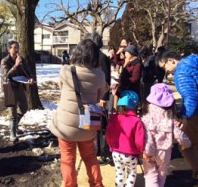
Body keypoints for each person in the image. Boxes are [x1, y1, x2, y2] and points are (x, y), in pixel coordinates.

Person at [49, 39, 107, 187]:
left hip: (66, 124)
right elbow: (99, 97)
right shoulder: (100, 75)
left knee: (67, 159)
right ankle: (97, 184)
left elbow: (62, 89)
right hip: (87, 123)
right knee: (89, 157)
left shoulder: (66, 70)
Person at [156, 50, 198, 180]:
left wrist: (185, 116)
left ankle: (197, 172)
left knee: (185, 145)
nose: (167, 71)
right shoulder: (194, 62)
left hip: (196, 113)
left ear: (171, 60)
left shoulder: (181, 72)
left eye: (165, 67)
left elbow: (191, 97)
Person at [141, 83, 191, 187]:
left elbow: (146, 136)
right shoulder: (169, 119)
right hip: (164, 151)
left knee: (150, 174)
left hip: (148, 150)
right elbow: (180, 135)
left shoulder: (145, 117)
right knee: (162, 173)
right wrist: (186, 144)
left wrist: (147, 151)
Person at [106, 90, 145, 187]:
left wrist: (110, 145)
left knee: (119, 172)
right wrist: (141, 151)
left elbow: (108, 134)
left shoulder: (114, 118)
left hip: (116, 152)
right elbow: (139, 140)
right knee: (132, 172)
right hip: (131, 154)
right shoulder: (136, 121)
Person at [1, 41, 35, 142]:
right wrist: (15, 65)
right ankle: (12, 133)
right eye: (14, 48)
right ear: (9, 49)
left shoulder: (21, 59)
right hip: (10, 88)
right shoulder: (5, 61)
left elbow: (28, 70)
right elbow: (7, 75)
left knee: (24, 108)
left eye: (17, 47)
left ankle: (15, 125)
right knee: (12, 111)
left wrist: (31, 78)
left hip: (20, 86)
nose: (17, 49)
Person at [92, 33, 112, 165]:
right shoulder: (91, 57)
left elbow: (106, 79)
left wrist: (104, 97)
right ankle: (95, 151)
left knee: (102, 126)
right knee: (94, 125)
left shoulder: (102, 58)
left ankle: (104, 153)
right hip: (92, 96)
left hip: (101, 97)